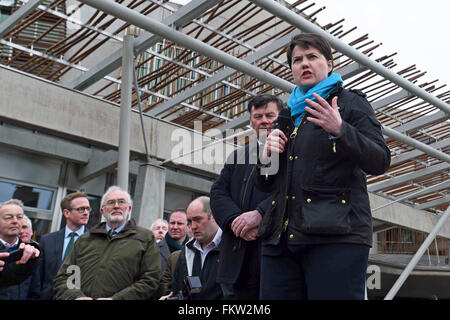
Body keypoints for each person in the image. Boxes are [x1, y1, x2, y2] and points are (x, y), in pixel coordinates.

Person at [253, 33, 391, 300]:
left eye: (312, 57)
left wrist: (340, 129)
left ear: (329, 64)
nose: (304, 64)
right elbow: (265, 183)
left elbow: (380, 159)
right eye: (297, 60)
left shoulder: (350, 102)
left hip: (336, 237)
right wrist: (267, 156)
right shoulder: (286, 114)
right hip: (281, 240)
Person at [210, 94, 282, 300]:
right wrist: (235, 222)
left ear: (280, 118)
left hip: (273, 256)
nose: (264, 121)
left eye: (270, 115)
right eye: (258, 116)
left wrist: (260, 215)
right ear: (251, 122)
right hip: (236, 259)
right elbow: (217, 193)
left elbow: (290, 192)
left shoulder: (291, 152)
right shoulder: (238, 156)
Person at [53, 186, 160, 300]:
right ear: (102, 211)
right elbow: (65, 277)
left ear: (129, 209)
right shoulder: (85, 240)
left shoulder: (145, 238)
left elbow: (151, 280)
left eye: (121, 202)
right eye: (111, 202)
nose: (116, 206)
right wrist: (76, 297)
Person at [163, 196, 222, 300]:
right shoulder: (186, 251)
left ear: (213, 216)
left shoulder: (232, 248)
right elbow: (174, 289)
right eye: (189, 221)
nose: (193, 226)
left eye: (198, 220)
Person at [39, 192, 90, 300]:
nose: (86, 213)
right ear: (66, 213)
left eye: (88, 209)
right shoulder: (47, 241)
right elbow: (38, 277)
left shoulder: (95, 241)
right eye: (81, 209)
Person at [0, 200, 40, 289]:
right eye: (8, 217)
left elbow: (37, 289)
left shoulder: (34, 253)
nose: (15, 221)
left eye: (19, 217)